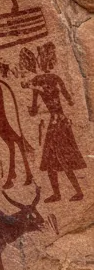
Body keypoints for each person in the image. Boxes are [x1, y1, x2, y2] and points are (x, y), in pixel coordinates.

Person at [26, 43, 84, 202]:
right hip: (61, 121)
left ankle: (77, 192)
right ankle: (59, 194)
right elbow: (69, 100)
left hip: (56, 123)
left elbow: (34, 111)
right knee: (51, 161)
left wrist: (33, 109)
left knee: (59, 158)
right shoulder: (56, 78)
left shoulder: (36, 82)